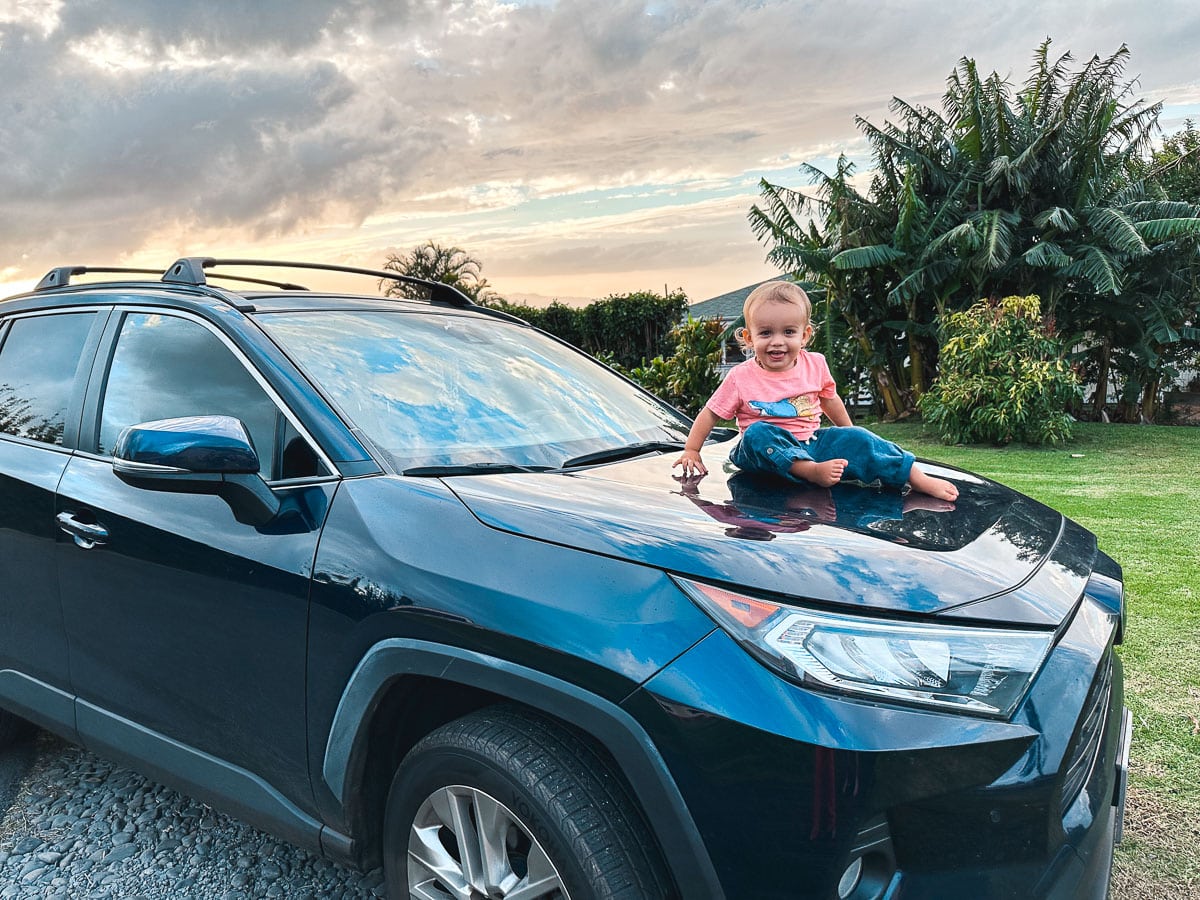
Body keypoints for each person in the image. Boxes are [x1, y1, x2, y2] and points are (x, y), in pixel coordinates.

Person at [673, 281, 958, 501]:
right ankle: (809, 471)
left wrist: (848, 437)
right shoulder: (740, 376)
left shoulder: (816, 364)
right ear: (748, 338)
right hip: (759, 454)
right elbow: (710, 413)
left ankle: (915, 476)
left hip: (810, 443)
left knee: (861, 437)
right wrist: (692, 449)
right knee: (760, 431)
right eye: (765, 333)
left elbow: (829, 400)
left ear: (805, 335)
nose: (777, 342)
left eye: (788, 332)